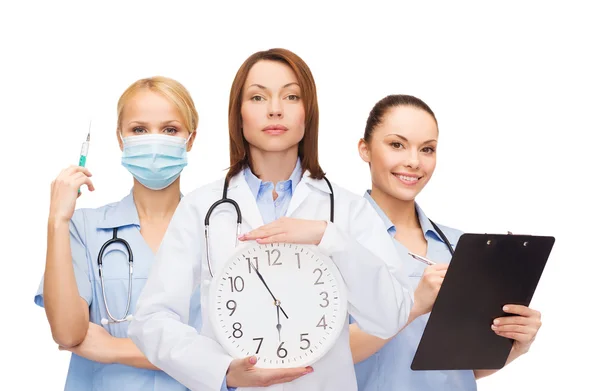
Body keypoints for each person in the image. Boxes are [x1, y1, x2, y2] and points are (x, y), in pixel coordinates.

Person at [128, 48, 413, 391]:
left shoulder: (348, 210)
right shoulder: (202, 208)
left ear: (308, 113)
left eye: (291, 96)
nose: (275, 109)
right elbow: (151, 318)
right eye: (258, 96)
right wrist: (221, 371)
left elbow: (391, 315)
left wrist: (329, 237)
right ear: (239, 114)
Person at [350, 94, 543, 390]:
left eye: (427, 149)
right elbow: (330, 356)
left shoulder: (459, 247)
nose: (414, 162)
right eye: (396, 145)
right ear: (365, 149)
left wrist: (514, 345)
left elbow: (460, 369)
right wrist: (413, 306)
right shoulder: (339, 241)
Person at [34, 76, 202, 390]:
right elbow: (68, 333)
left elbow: (224, 355)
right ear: (121, 139)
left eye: (170, 130)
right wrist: (57, 220)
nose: (154, 141)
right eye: (139, 129)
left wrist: (112, 348)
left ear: (190, 139)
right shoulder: (84, 229)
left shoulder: (214, 230)